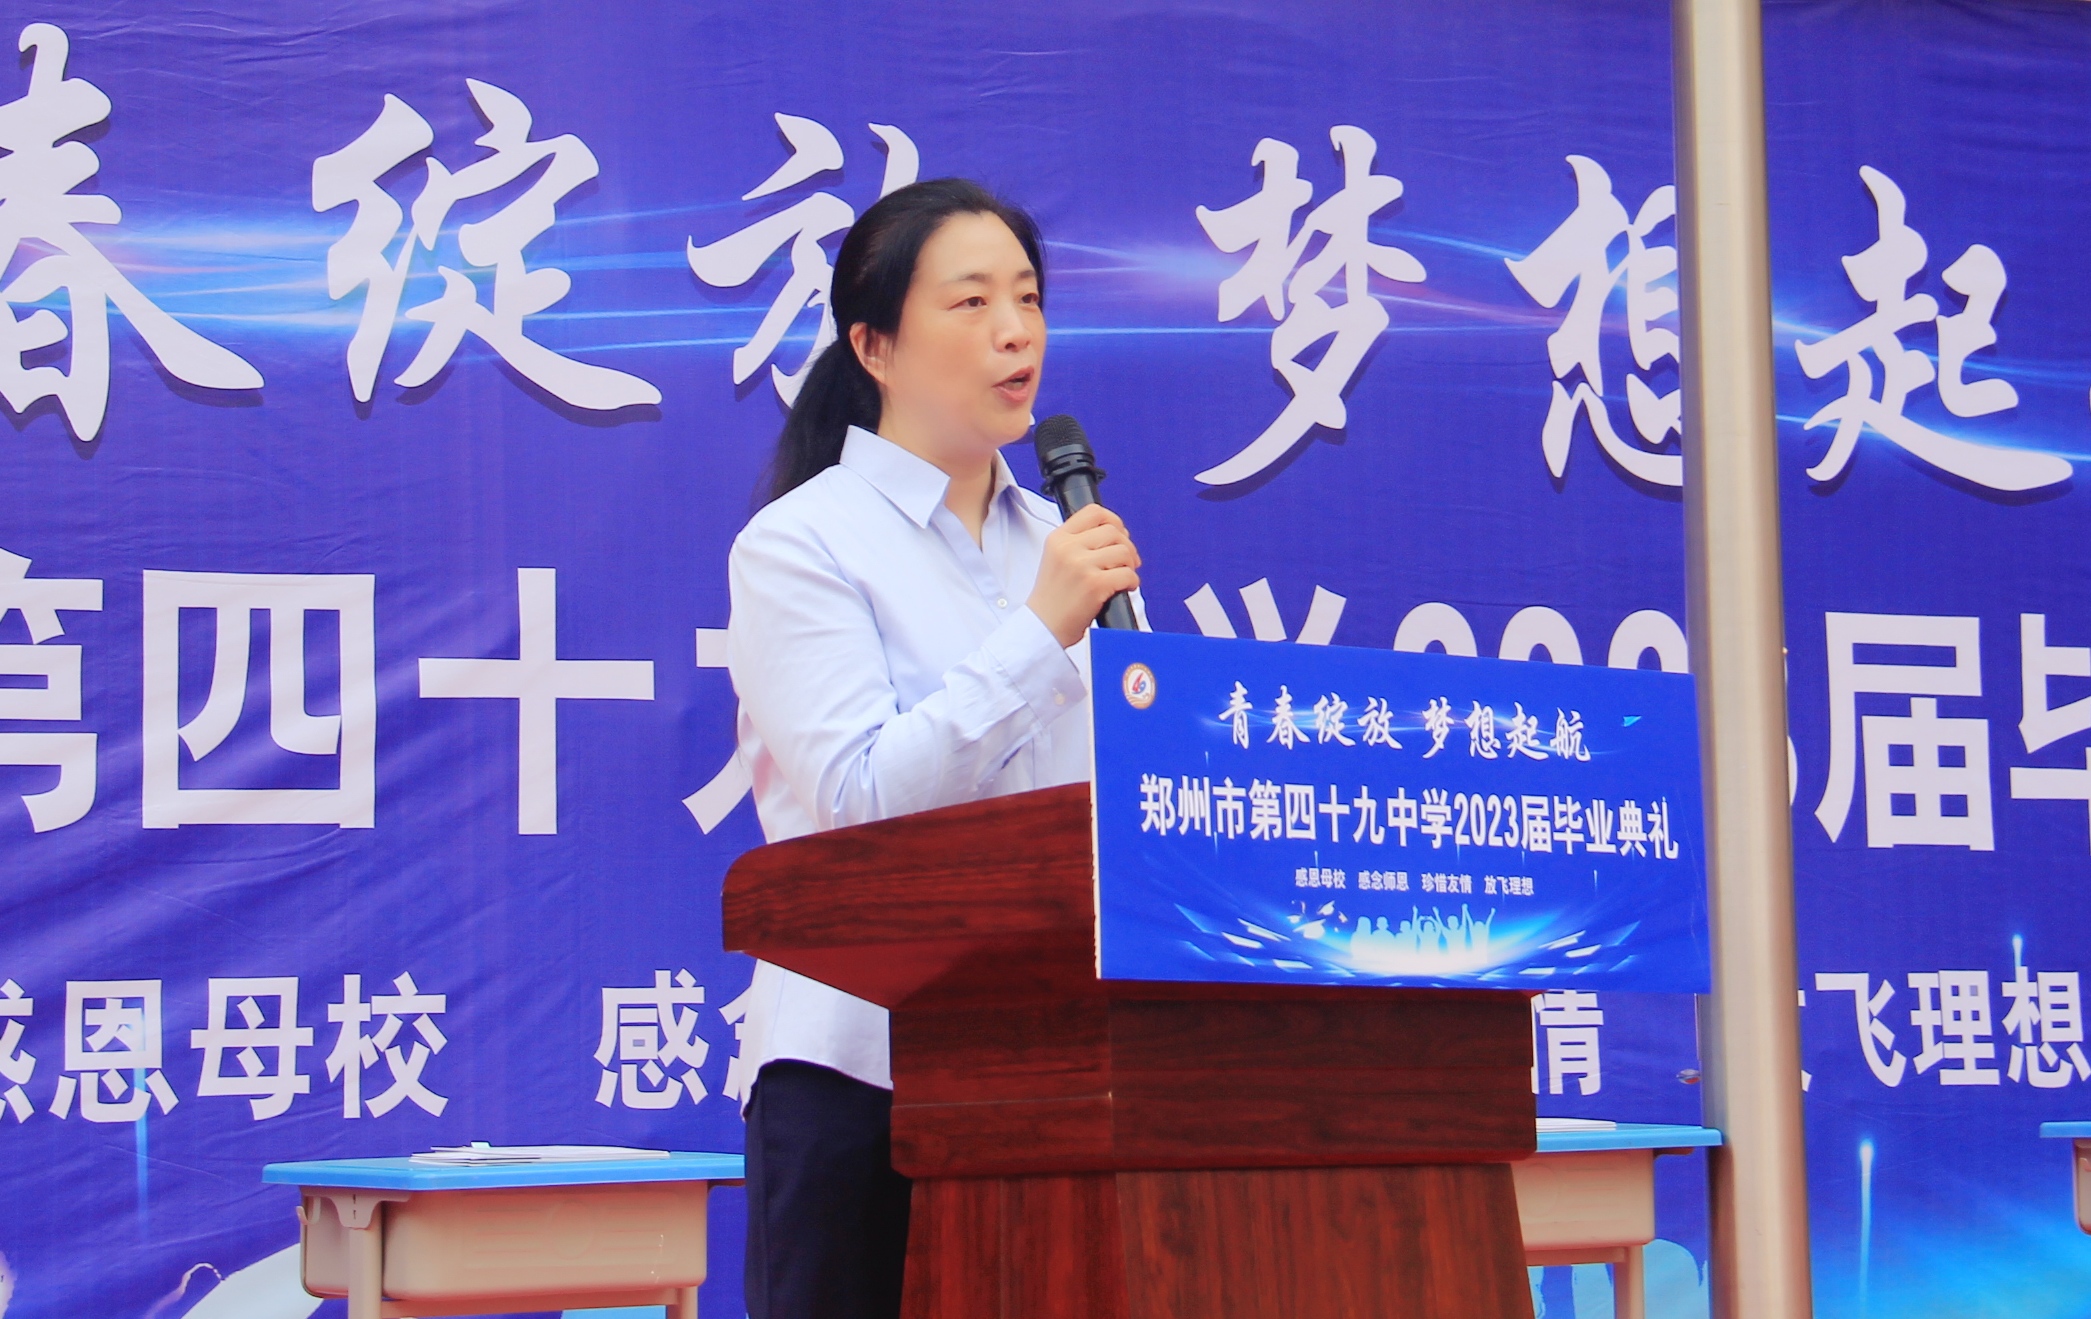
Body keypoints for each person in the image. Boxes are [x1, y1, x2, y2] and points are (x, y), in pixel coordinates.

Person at [724, 178, 1142, 1319]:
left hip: (1060, 1069)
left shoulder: (1067, 542)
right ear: (874, 345)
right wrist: (1039, 631)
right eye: (971, 302)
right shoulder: (800, 544)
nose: (1015, 331)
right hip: (860, 1073)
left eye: (1029, 298)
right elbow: (860, 801)